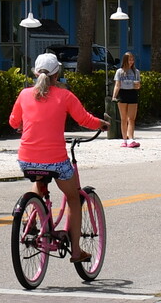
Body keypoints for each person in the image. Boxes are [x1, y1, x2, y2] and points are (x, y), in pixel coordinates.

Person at [9, 52, 105, 255]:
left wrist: (23, 125)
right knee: (73, 197)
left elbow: (13, 122)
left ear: (35, 73)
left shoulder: (24, 94)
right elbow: (84, 119)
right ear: (57, 74)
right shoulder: (65, 96)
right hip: (55, 161)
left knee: (39, 177)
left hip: (26, 160)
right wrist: (102, 124)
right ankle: (77, 251)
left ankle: (31, 218)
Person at [111, 50, 143, 147]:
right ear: (125, 60)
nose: (131, 61)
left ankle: (131, 139)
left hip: (132, 93)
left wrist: (137, 85)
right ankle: (124, 139)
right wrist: (114, 96)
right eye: (129, 60)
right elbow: (117, 85)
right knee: (123, 118)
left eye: (132, 60)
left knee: (131, 119)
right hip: (123, 94)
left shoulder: (136, 71)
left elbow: (138, 85)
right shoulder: (119, 72)